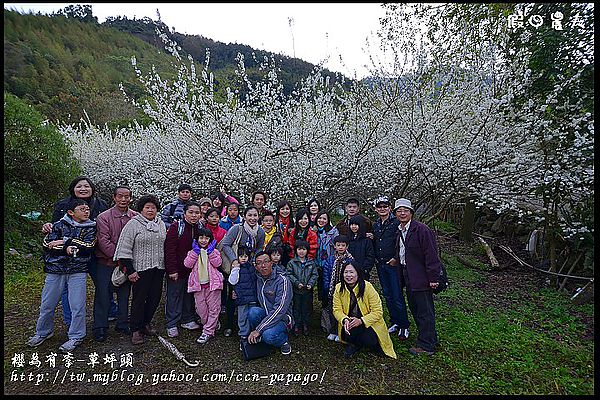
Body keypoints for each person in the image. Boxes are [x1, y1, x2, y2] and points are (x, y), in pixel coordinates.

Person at [28, 199, 97, 352]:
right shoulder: (59, 225)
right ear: (71, 212)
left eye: (87, 209)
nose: (86, 211)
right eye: (82, 209)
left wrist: (65, 241)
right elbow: (48, 245)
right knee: (47, 304)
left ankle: (76, 336)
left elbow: (88, 247)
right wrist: (67, 248)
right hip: (55, 269)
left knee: (77, 305)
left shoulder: (91, 227)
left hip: (77, 270)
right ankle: (43, 332)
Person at [41, 176, 110, 329]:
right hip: (67, 257)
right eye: (79, 186)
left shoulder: (101, 205)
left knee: (102, 284)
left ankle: (108, 312)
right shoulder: (63, 205)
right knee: (67, 290)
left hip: (95, 252)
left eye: (86, 186)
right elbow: (55, 228)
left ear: (92, 188)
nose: (83, 189)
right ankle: (70, 320)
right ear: (73, 189)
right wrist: (49, 228)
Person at [114, 194, 167, 345]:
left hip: (158, 268)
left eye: (153, 207)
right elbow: (124, 249)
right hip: (140, 269)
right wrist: (130, 270)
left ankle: (146, 323)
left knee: (155, 298)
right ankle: (135, 329)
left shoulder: (160, 223)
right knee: (139, 299)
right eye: (147, 207)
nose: (150, 210)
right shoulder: (133, 224)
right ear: (141, 209)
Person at [392, 198, 442, 356]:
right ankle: (430, 339)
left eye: (405, 210)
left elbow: (431, 254)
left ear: (411, 213)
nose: (402, 213)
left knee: (424, 310)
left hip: (421, 276)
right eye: (399, 211)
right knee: (415, 307)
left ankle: (426, 345)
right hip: (408, 274)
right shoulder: (399, 229)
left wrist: (433, 277)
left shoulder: (422, 230)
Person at [92, 185, 137, 342]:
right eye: (120, 196)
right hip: (107, 262)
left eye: (127, 197)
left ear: (131, 198)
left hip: (127, 264)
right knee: (103, 294)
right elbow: (104, 242)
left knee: (124, 294)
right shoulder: (103, 217)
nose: (123, 200)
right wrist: (121, 258)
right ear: (114, 197)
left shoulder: (135, 217)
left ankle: (122, 323)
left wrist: (127, 262)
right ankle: (100, 327)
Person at [332, 262, 397, 359]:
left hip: (368, 322)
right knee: (347, 334)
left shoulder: (368, 287)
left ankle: (371, 344)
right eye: (346, 272)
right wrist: (344, 320)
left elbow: (378, 312)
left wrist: (361, 321)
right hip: (350, 321)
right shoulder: (338, 288)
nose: (349, 275)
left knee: (369, 340)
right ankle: (355, 344)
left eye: (351, 272)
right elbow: (337, 310)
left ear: (358, 273)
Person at [219, 206, 266, 337]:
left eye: (255, 215)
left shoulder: (260, 232)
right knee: (233, 295)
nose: (252, 218)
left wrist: (254, 261)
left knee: (248, 295)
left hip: (249, 269)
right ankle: (229, 325)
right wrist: (234, 260)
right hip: (235, 267)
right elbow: (226, 245)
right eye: (249, 215)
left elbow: (259, 248)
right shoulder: (237, 229)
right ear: (244, 216)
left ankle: (248, 326)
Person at [372, 196, 410, 340]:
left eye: (385, 206)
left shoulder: (396, 223)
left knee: (397, 295)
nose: (382, 209)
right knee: (387, 294)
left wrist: (396, 258)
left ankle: (404, 325)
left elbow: (401, 241)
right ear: (376, 209)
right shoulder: (375, 225)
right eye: (379, 206)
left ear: (389, 208)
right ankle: (395, 321)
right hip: (381, 264)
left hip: (393, 264)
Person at [164, 201, 203, 338]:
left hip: (193, 270)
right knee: (174, 295)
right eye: (191, 212)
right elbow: (170, 250)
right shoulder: (177, 227)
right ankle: (172, 323)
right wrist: (172, 269)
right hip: (178, 269)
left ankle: (187, 319)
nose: (194, 215)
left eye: (197, 213)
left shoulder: (200, 227)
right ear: (185, 213)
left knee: (189, 295)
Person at [247, 251, 293, 355]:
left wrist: (259, 329)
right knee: (253, 312)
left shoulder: (282, 280)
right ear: (256, 266)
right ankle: (261, 335)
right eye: (259, 263)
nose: (263, 266)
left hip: (282, 318)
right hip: (267, 315)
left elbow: (280, 309)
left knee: (268, 335)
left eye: (266, 262)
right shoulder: (258, 278)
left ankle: (283, 341)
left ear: (272, 263)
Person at [183, 228, 223, 344]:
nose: (204, 240)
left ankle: (207, 332)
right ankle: (211, 324)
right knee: (201, 310)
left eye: (206, 238)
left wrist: (210, 253)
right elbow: (187, 264)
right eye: (201, 238)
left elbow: (218, 263)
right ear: (197, 239)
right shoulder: (192, 252)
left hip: (213, 285)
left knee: (214, 309)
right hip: (198, 286)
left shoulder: (214, 251)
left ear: (210, 240)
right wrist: (195, 253)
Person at [322, 235, 354, 342]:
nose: (340, 247)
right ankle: (333, 330)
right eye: (338, 245)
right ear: (334, 246)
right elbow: (326, 274)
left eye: (343, 245)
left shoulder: (350, 260)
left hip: (346, 290)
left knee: (344, 311)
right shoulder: (331, 259)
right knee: (333, 310)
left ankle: (342, 331)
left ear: (347, 246)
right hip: (333, 290)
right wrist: (327, 287)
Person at [286, 240, 319, 336]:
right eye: (299, 249)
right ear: (296, 250)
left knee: (306, 308)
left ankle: (306, 325)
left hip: (307, 291)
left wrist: (310, 284)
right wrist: (297, 283)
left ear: (307, 251)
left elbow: (314, 274)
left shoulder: (311, 263)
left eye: (304, 249)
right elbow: (289, 274)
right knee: (296, 308)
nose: (301, 251)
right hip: (296, 290)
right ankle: (297, 324)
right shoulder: (292, 263)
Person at [228, 245, 257, 341]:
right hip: (241, 298)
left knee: (253, 316)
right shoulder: (236, 268)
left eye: (245, 256)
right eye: (241, 256)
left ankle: (253, 334)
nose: (243, 258)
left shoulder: (252, 267)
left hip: (252, 297)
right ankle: (243, 335)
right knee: (242, 317)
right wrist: (235, 269)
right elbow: (232, 281)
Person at [314, 210, 339, 308]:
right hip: (316, 263)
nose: (321, 220)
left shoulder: (333, 232)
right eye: (320, 218)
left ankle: (327, 307)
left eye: (324, 218)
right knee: (319, 286)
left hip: (328, 264)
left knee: (327, 286)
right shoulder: (313, 231)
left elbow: (337, 246)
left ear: (328, 220)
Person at [347, 216, 376, 280]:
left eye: (356, 224)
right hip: (349, 272)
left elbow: (370, 256)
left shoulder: (366, 240)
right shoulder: (348, 239)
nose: (353, 226)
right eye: (351, 224)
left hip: (362, 272)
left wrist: (364, 269)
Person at [274, 200, 294, 266]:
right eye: (282, 209)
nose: (285, 211)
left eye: (287, 209)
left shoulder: (294, 221)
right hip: (278, 249)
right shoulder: (275, 221)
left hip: (290, 249)